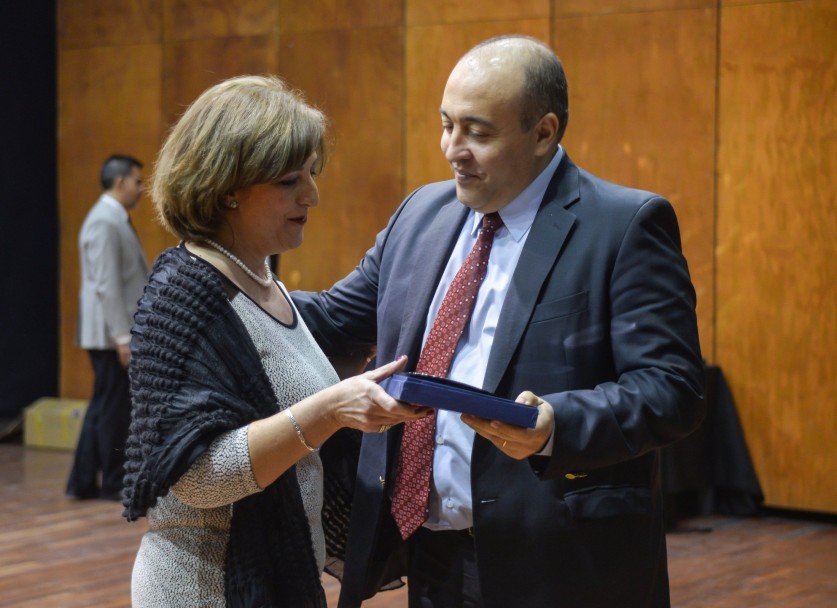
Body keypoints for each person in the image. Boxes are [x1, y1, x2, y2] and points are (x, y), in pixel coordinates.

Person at [292, 35, 706, 607]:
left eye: (478, 132)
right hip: (429, 550)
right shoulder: (422, 214)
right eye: (446, 125)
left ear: (544, 132)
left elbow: (672, 390)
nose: (452, 149)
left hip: (559, 561)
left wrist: (556, 425)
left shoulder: (624, 225)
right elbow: (335, 319)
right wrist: (226, 292)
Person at [120, 74, 427, 607]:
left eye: (311, 173)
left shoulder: (263, 283)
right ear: (227, 187)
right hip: (208, 588)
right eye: (289, 180)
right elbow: (197, 481)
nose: (312, 194)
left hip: (276, 578)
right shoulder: (183, 293)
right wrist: (330, 410)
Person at [66, 154, 147, 501]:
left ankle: (82, 482)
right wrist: (121, 336)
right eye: (137, 181)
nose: (142, 189)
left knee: (103, 405)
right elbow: (107, 284)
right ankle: (112, 482)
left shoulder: (113, 219)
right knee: (114, 409)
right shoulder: (104, 221)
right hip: (108, 335)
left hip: (110, 334)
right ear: (120, 182)